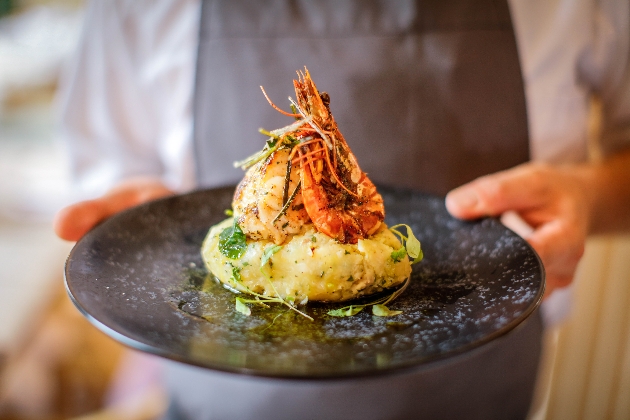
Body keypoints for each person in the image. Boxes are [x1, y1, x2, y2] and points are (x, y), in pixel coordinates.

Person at [53, 0, 630, 418]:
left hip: (478, 391)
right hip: (221, 397)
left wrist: (591, 198)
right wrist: (150, 217)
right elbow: (109, 158)